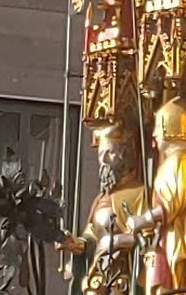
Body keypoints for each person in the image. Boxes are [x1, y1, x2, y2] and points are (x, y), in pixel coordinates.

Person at [59, 124, 146, 295]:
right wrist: (75, 244)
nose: (104, 160)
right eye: (101, 154)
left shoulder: (140, 193)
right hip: (97, 275)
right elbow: (92, 234)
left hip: (122, 277)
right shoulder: (100, 198)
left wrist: (114, 242)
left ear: (125, 155)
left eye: (110, 153)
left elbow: (147, 236)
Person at [126, 98, 186, 293]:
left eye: (157, 128)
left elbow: (172, 204)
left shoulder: (179, 159)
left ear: (169, 128)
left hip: (173, 235)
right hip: (163, 235)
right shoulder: (171, 160)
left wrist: (143, 219)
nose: (154, 134)